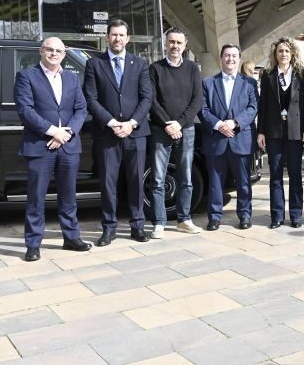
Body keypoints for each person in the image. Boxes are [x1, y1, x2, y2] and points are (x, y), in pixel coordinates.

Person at [15, 37, 92, 262]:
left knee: (68, 196)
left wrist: (67, 133)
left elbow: (81, 108)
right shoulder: (26, 76)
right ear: (41, 51)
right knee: (36, 198)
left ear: (64, 54)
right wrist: (52, 131)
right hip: (40, 146)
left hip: (68, 145)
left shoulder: (72, 78)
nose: (54, 53)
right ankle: (33, 244)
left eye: (59, 50)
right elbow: (25, 110)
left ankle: (71, 238)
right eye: (50, 49)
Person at [84, 18, 153, 246]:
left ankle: (138, 226)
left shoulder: (140, 63)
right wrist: (112, 122)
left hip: (136, 133)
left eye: (122, 35)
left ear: (128, 38)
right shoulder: (94, 64)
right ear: (107, 37)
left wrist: (131, 123)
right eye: (114, 34)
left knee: (136, 181)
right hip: (107, 134)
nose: (117, 39)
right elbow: (91, 99)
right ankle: (109, 228)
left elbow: (147, 97)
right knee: (108, 183)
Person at [148, 27, 203, 238]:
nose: (175, 46)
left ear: (185, 45)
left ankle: (184, 220)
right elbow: (151, 101)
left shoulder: (192, 68)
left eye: (179, 42)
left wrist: (179, 124)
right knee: (158, 179)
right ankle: (159, 223)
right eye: (171, 42)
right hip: (160, 131)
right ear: (165, 43)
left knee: (186, 177)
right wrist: (167, 124)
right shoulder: (155, 68)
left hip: (186, 130)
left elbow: (197, 100)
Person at [199, 44, 259, 230]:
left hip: (240, 138)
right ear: (221, 58)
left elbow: (253, 107)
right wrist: (219, 125)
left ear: (239, 59)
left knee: (243, 182)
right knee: (215, 182)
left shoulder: (249, 83)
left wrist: (235, 123)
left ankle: (245, 215)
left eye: (234, 56)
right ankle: (214, 217)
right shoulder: (208, 83)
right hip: (216, 140)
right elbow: (203, 109)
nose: (230, 59)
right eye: (227, 55)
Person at [257, 38, 304, 228]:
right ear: (275, 54)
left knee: (295, 175)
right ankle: (277, 216)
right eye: (280, 51)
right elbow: (263, 105)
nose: (283, 54)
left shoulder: (302, 74)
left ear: (292, 54)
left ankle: (296, 215)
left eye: (287, 51)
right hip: (274, 131)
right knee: (275, 175)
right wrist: (261, 132)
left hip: (295, 132)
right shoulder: (268, 75)